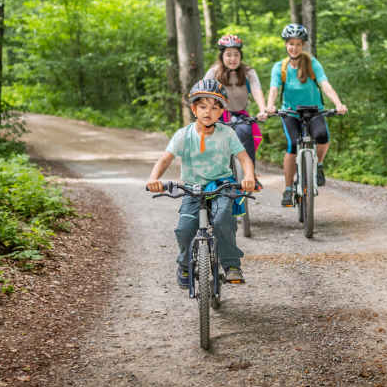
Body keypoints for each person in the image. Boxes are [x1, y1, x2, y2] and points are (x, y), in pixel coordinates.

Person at [146, 79, 257, 287]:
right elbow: (165, 159)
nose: (208, 111)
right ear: (194, 108)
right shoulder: (184, 135)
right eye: (203, 106)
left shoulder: (227, 133)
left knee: (224, 219)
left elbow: (244, 158)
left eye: (215, 108)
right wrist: (154, 178)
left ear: (221, 112)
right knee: (185, 228)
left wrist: (248, 176)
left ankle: (232, 265)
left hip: (222, 185)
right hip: (192, 188)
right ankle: (185, 265)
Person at [265, 23, 348, 207]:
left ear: (303, 46)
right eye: (291, 44)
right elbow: (274, 89)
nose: (294, 47)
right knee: (292, 145)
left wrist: (338, 103)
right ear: (286, 45)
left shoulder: (312, 63)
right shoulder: (280, 67)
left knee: (322, 137)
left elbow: (325, 84)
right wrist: (270, 105)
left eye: (298, 44)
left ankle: (317, 165)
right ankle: (288, 188)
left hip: (314, 110)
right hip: (291, 112)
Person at [204, 34, 267, 176]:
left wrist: (262, 109)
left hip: (239, 114)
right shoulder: (213, 72)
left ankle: (250, 175)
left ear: (240, 56)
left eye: (236, 55)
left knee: (246, 133)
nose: (232, 59)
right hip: (217, 115)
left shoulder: (248, 72)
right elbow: (203, 94)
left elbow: (256, 90)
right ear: (222, 56)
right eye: (228, 55)